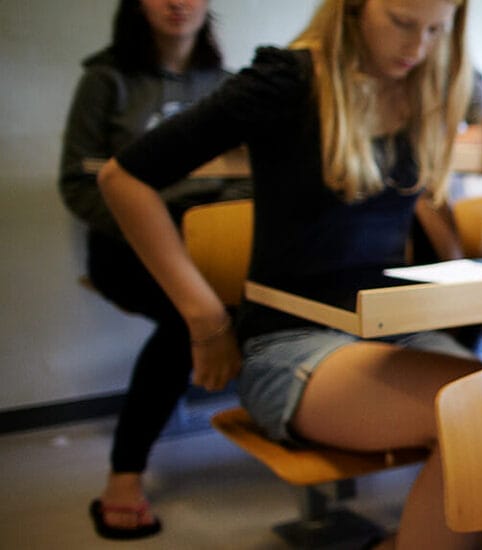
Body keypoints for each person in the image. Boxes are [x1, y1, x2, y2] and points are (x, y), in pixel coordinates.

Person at [97, 0, 480, 548]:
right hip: (291, 343)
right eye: (401, 23)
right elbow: (123, 179)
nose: (417, 47)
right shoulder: (288, 79)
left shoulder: (426, 85)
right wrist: (205, 317)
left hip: (388, 329)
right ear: (353, 9)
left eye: (436, 30)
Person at [59, 0, 247, 540]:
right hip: (129, 247)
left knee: (275, 293)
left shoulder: (231, 84)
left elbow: (251, 175)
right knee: (186, 317)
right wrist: (160, 237)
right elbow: (78, 184)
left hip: (213, 242)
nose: (177, 2)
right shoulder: (105, 80)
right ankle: (124, 475)